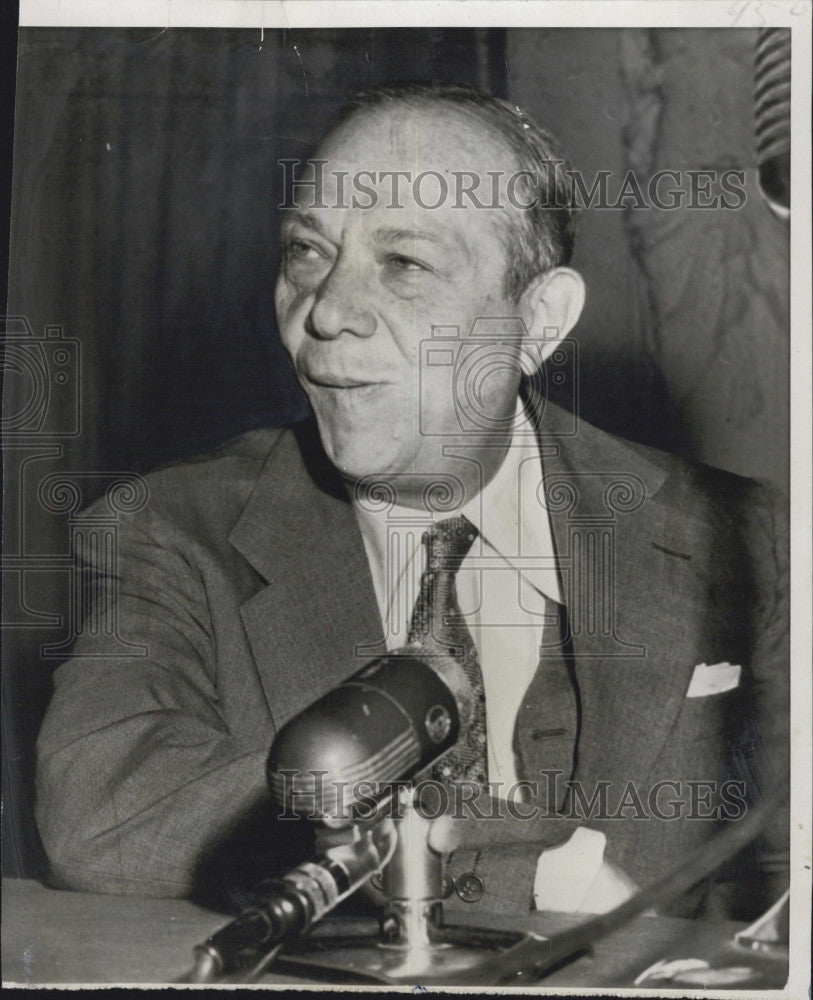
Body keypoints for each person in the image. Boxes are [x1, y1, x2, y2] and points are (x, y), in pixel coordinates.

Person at [35, 84, 788, 921]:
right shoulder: (170, 529)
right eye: (306, 251)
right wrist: (522, 869)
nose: (326, 313)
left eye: (404, 263)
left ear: (538, 322)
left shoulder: (748, 542)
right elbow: (105, 803)